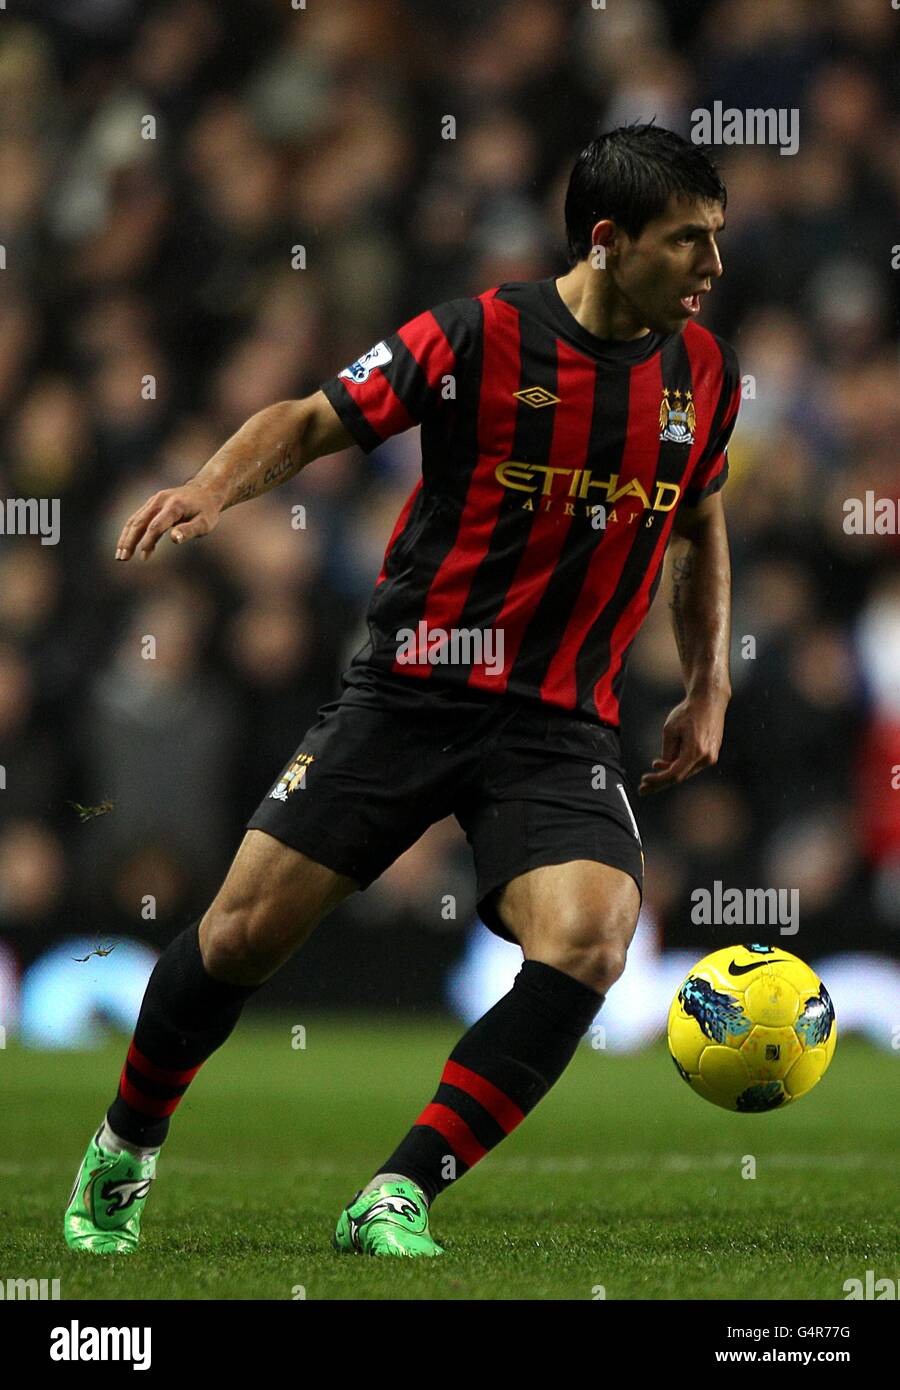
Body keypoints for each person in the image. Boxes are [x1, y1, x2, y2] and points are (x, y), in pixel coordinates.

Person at [64, 123, 740, 1258]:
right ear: (612, 241)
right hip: (410, 692)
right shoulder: (481, 333)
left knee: (590, 941)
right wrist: (211, 486)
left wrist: (711, 678)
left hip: (558, 721)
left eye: (718, 240)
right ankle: (126, 1142)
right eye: (690, 243)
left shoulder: (703, 373)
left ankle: (398, 1190)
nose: (714, 269)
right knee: (236, 939)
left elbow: (701, 523)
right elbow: (314, 418)